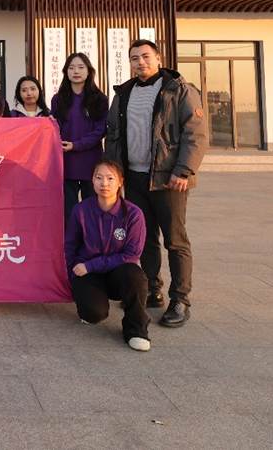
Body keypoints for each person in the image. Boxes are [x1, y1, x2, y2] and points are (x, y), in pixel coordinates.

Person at [104, 39, 208, 329]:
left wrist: (183, 171)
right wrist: (115, 173)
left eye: (145, 56)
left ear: (159, 58)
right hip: (134, 178)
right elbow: (113, 136)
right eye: (134, 58)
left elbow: (195, 134)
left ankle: (180, 299)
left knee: (175, 239)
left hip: (169, 179)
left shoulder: (179, 90)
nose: (140, 62)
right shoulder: (123, 93)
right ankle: (152, 289)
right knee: (145, 237)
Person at [66, 159, 150, 352]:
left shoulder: (133, 214)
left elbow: (132, 254)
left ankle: (136, 330)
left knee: (135, 276)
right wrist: (73, 277)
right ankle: (92, 303)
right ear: (92, 181)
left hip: (117, 272)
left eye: (110, 178)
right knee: (94, 314)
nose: (104, 183)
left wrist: (92, 265)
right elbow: (70, 246)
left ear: (120, 182)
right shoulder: (81, 210)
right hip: (88, 273)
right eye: (99, 178)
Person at [50, 52, 109, 224]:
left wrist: (76, 145)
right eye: (71, 68)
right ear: (66, 72)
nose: (76, 71)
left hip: (91, 162)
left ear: (89, 71)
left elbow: (100, 131)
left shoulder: (99, 99)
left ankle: (93, 239)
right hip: (66, 162)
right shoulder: (58, 99)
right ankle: (72, 240)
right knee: (69, 211)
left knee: (93, 209)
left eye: (81, 67)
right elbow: (53, 128)